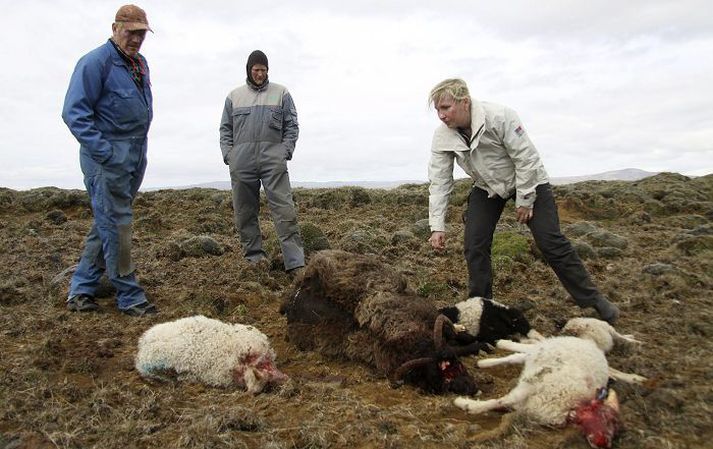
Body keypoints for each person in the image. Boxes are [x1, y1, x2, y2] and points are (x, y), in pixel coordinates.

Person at [426, 78, 619, 324]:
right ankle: (480, 309)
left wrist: (525, 199)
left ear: (464, 102)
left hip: (528, 181)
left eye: (446, 108)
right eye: (437, 110)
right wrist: (437, 226)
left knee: (550, 242)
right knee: (475, 245)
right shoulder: (442, 137)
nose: (441, 116)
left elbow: (526, 158)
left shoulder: (500, 116)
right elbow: (440, 181)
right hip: (487, 187)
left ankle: (594, 302)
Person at [61, 4, 156, 316]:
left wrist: (134, 155)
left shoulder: (139, 65)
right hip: (106, 159)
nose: (137, 39)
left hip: (134, 157)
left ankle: (81, 288)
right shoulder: (94, 63)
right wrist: (104, 152)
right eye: (131, 32)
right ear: (116, 28)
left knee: (106, 224)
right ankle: (130, 295)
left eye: (142, 33)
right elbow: (74, 113)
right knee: (118, 226)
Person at [219, 50, 305, 275]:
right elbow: (225, 129)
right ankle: (254, 260)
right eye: (256, 70)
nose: (259, 74)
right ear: (249, 70)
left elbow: (292, 125)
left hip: (272, 162)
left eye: (263, 70)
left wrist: (284, 151)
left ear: (268, 71)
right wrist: (230, 155)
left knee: (285, 211)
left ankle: (295, 263)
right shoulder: (234, 96)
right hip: (242, 164)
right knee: (245, 213)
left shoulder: (281, 93)